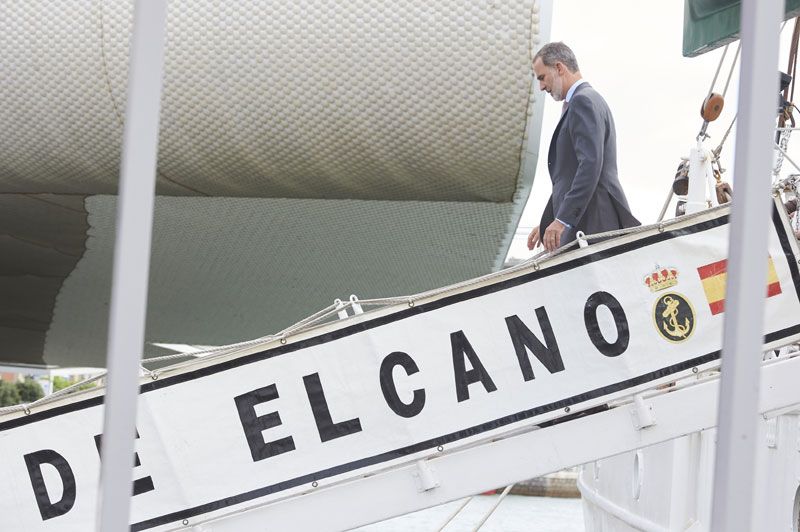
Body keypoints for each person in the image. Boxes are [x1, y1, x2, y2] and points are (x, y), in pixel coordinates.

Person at [527, 42, 639, 252]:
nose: (541, 87)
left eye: (542, 77)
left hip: (594, 223)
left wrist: (562, 220)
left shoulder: (582, 102)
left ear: (559, 68)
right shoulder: (586, 101)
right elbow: (569, 175)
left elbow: (590, 166)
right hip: (591, 221)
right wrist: (548, 221)